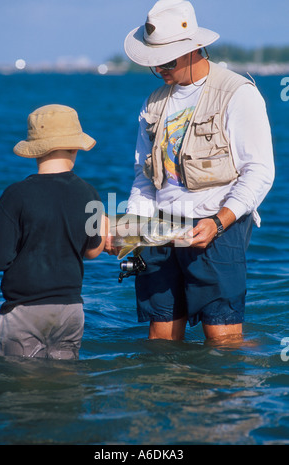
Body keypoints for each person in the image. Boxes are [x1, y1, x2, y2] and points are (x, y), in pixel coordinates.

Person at [106, 0, 275, 342]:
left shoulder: (238, 94)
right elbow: (144, 177)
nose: (160, 69)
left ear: (195, 49)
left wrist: (217, 222)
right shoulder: (153, 102)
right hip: (159, 230)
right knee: (161, 339)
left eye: (166, 61)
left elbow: (259, 171)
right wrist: (131, 231)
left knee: (223, 339)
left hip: (218, 229)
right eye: (154, 62)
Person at [0, 104, 107, 359]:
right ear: (76, 147)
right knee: (65, 388)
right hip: (71, 310)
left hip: (25, 310)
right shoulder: (90, 194)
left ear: (34, 150)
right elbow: (93, 250)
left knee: (22, 389)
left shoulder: (16, 195)